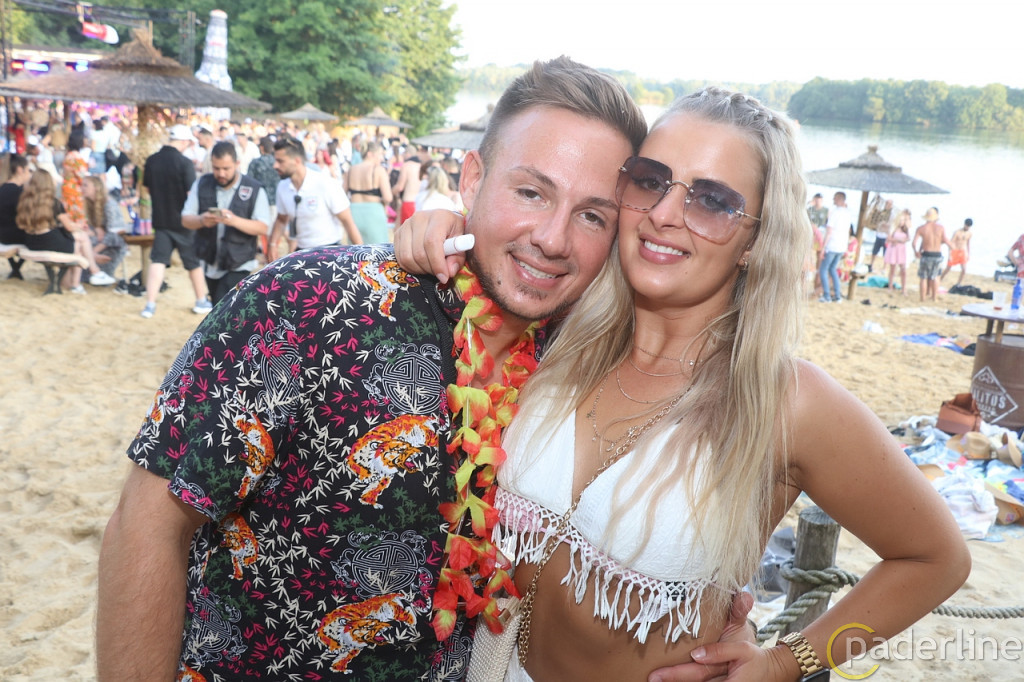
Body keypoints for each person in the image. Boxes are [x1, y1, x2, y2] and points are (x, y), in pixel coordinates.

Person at [98, 57, 721, 682]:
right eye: (531, 192)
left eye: (592, 216)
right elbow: (150, 522)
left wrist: (747, 644)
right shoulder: (305, 304)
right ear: (472, 179)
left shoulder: (583, 365)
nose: (553, 239)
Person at [400, 87, 970, 682]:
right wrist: (447, 223)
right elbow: (505, 259)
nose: (664, 214)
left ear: (755, 240)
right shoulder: (562, 334)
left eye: (713, 201)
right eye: (651, 181)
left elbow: (935, 558)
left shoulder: (783, 401)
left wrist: (782, 663)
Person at [180, 141, 270, 303]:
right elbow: (186, 220)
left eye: (226, 168)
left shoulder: (254, 188)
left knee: (223, 307)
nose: (221, 173)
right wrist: (202, 220)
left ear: (237, 164)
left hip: (239, 263)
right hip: (210, 261)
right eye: (216, 168)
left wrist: (234, 221)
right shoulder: (202, 183)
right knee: (218, 306)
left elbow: (263, 227)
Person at [140, 124, 210, 318]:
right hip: (184, 221)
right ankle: (201, 300)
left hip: (161, 219)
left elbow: (147, 188)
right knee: (193, 262)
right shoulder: (184, 163)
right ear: (184, 141)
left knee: (158, 261)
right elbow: (191, 193)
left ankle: (150, 304)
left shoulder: (152, 160)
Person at [266, 135, 362, 261]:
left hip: (330, 252)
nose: (275, 165)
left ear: (297, 161)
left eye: (280, 161)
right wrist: (272, 244)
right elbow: (281, 219)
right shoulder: (283, 187)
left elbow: (348, 222)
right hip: (302, 252)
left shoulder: (325, 184)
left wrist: (362, 257)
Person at [16, 170, 110, 292]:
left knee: (78, 241)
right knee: (80, 240)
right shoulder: (53, 202)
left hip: (31, 241)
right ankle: (91, 274)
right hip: (49, 241)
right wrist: (80, 226)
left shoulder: (25, 200)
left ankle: (77, 282)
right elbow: (69, 227)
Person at [343, 139, 394, 244]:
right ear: (370, 154)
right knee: (377, 250)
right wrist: (383, 203)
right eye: (379, 154)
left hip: (354, 212)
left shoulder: (351, 170)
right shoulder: (378, 170)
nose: (381, 158)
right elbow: (388, 197)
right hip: (374, 212)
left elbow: (342, 194)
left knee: (355, 250)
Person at [82, 175, 129, 279]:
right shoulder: (90, 205)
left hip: (114, 245)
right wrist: (95, 230)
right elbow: (91, 227)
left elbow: (114, 233)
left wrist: (93, 252)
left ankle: (92, 262)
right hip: (100, 241)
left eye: (86, 185)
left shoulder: (109, 204)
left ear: (96, 187)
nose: (82, 188)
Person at [1, 153, 32, 278]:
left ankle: (15, 269)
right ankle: (16, 268)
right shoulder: (21, 193)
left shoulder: (2, 189)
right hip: (18, 237)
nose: (29, 174)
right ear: (20, 170)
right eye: (28, 170)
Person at [818, 191, 851, 302]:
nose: (833, 200)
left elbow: (829, 231)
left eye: (835, 198)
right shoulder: (847, 213)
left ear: (840, 199)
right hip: (841, 246)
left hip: (832, 245)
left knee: (823, 270)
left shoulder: (835, 213)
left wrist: (823, 248)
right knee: (833, 269)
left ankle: (827, 295)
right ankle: (837, 296)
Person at [911, 206, 949, 302]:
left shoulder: (921, 228)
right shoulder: (940, 228)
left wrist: (916, 251)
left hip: (926, 254)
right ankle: (934, 298)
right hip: (937, 254)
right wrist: (953, 248)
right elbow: (945, 240)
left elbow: (914, 243)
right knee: (935, 276)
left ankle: (922, 298)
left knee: (923, 277)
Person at [61, 131, 89, 223]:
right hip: (75, 190)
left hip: (66, 187)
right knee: (77, 217)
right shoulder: (77, 157)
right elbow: (82, 176)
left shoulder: (68, 155)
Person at [392, 145, 424, 223]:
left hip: (409, 202)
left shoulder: (407, 165)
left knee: (406, 229)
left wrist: (390, 192)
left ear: (408, 154)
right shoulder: (422, 166)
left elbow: (400, 187)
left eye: (403, 153)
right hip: (420, 204)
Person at [884, 208, 911, 294]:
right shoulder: (893, 229)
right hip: (894, 248)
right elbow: (888, 238)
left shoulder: (905, 229)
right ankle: (890, 286)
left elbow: (908, 238)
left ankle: (904, 288)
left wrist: (899, 240)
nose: (901, 222)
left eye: (902, 220)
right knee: (892, 269)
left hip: (901, 249)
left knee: (903, 269)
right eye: (900, 220)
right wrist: (897, 240)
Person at [941, 218, 973, 286]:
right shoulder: (957, 232)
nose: (967, 227)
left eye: (969, 226)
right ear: (964, 224)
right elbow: (951, 243)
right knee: (948, 268)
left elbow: (968, 244)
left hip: (962, 252)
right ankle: (940, 279)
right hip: (955, 251)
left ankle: (958, 284)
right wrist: (950, 255)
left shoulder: (969, 233)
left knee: (964, 269)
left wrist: (968, 254)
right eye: (966, 225)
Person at [865, 196, 893, 273]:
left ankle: (884, 268)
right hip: (879, 235)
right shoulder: (881, 213)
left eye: (889, 204)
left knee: (886, 253)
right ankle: (871, 265)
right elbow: (876, 221)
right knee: (875, 251)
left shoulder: (891, 214)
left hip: (886, 236)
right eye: (887, 203)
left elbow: (889, 225)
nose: (887, 205)